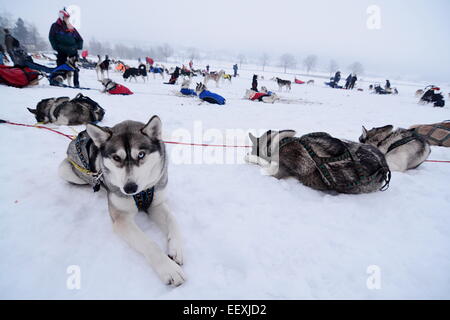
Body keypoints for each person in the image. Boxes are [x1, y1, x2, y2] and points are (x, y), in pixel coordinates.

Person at [49, 8, 83, 87]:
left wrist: (76, 47)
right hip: (62, 51)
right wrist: (56, 47)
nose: (67, 19)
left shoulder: (71, 27)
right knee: (60, 67)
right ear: (61, 17)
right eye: (66, 17)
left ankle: (76, 84)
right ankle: (57, 80)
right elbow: (51, 38)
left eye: (68, 17)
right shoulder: (55, 26)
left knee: (75, 68)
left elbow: (80, 39)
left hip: (72, 51)